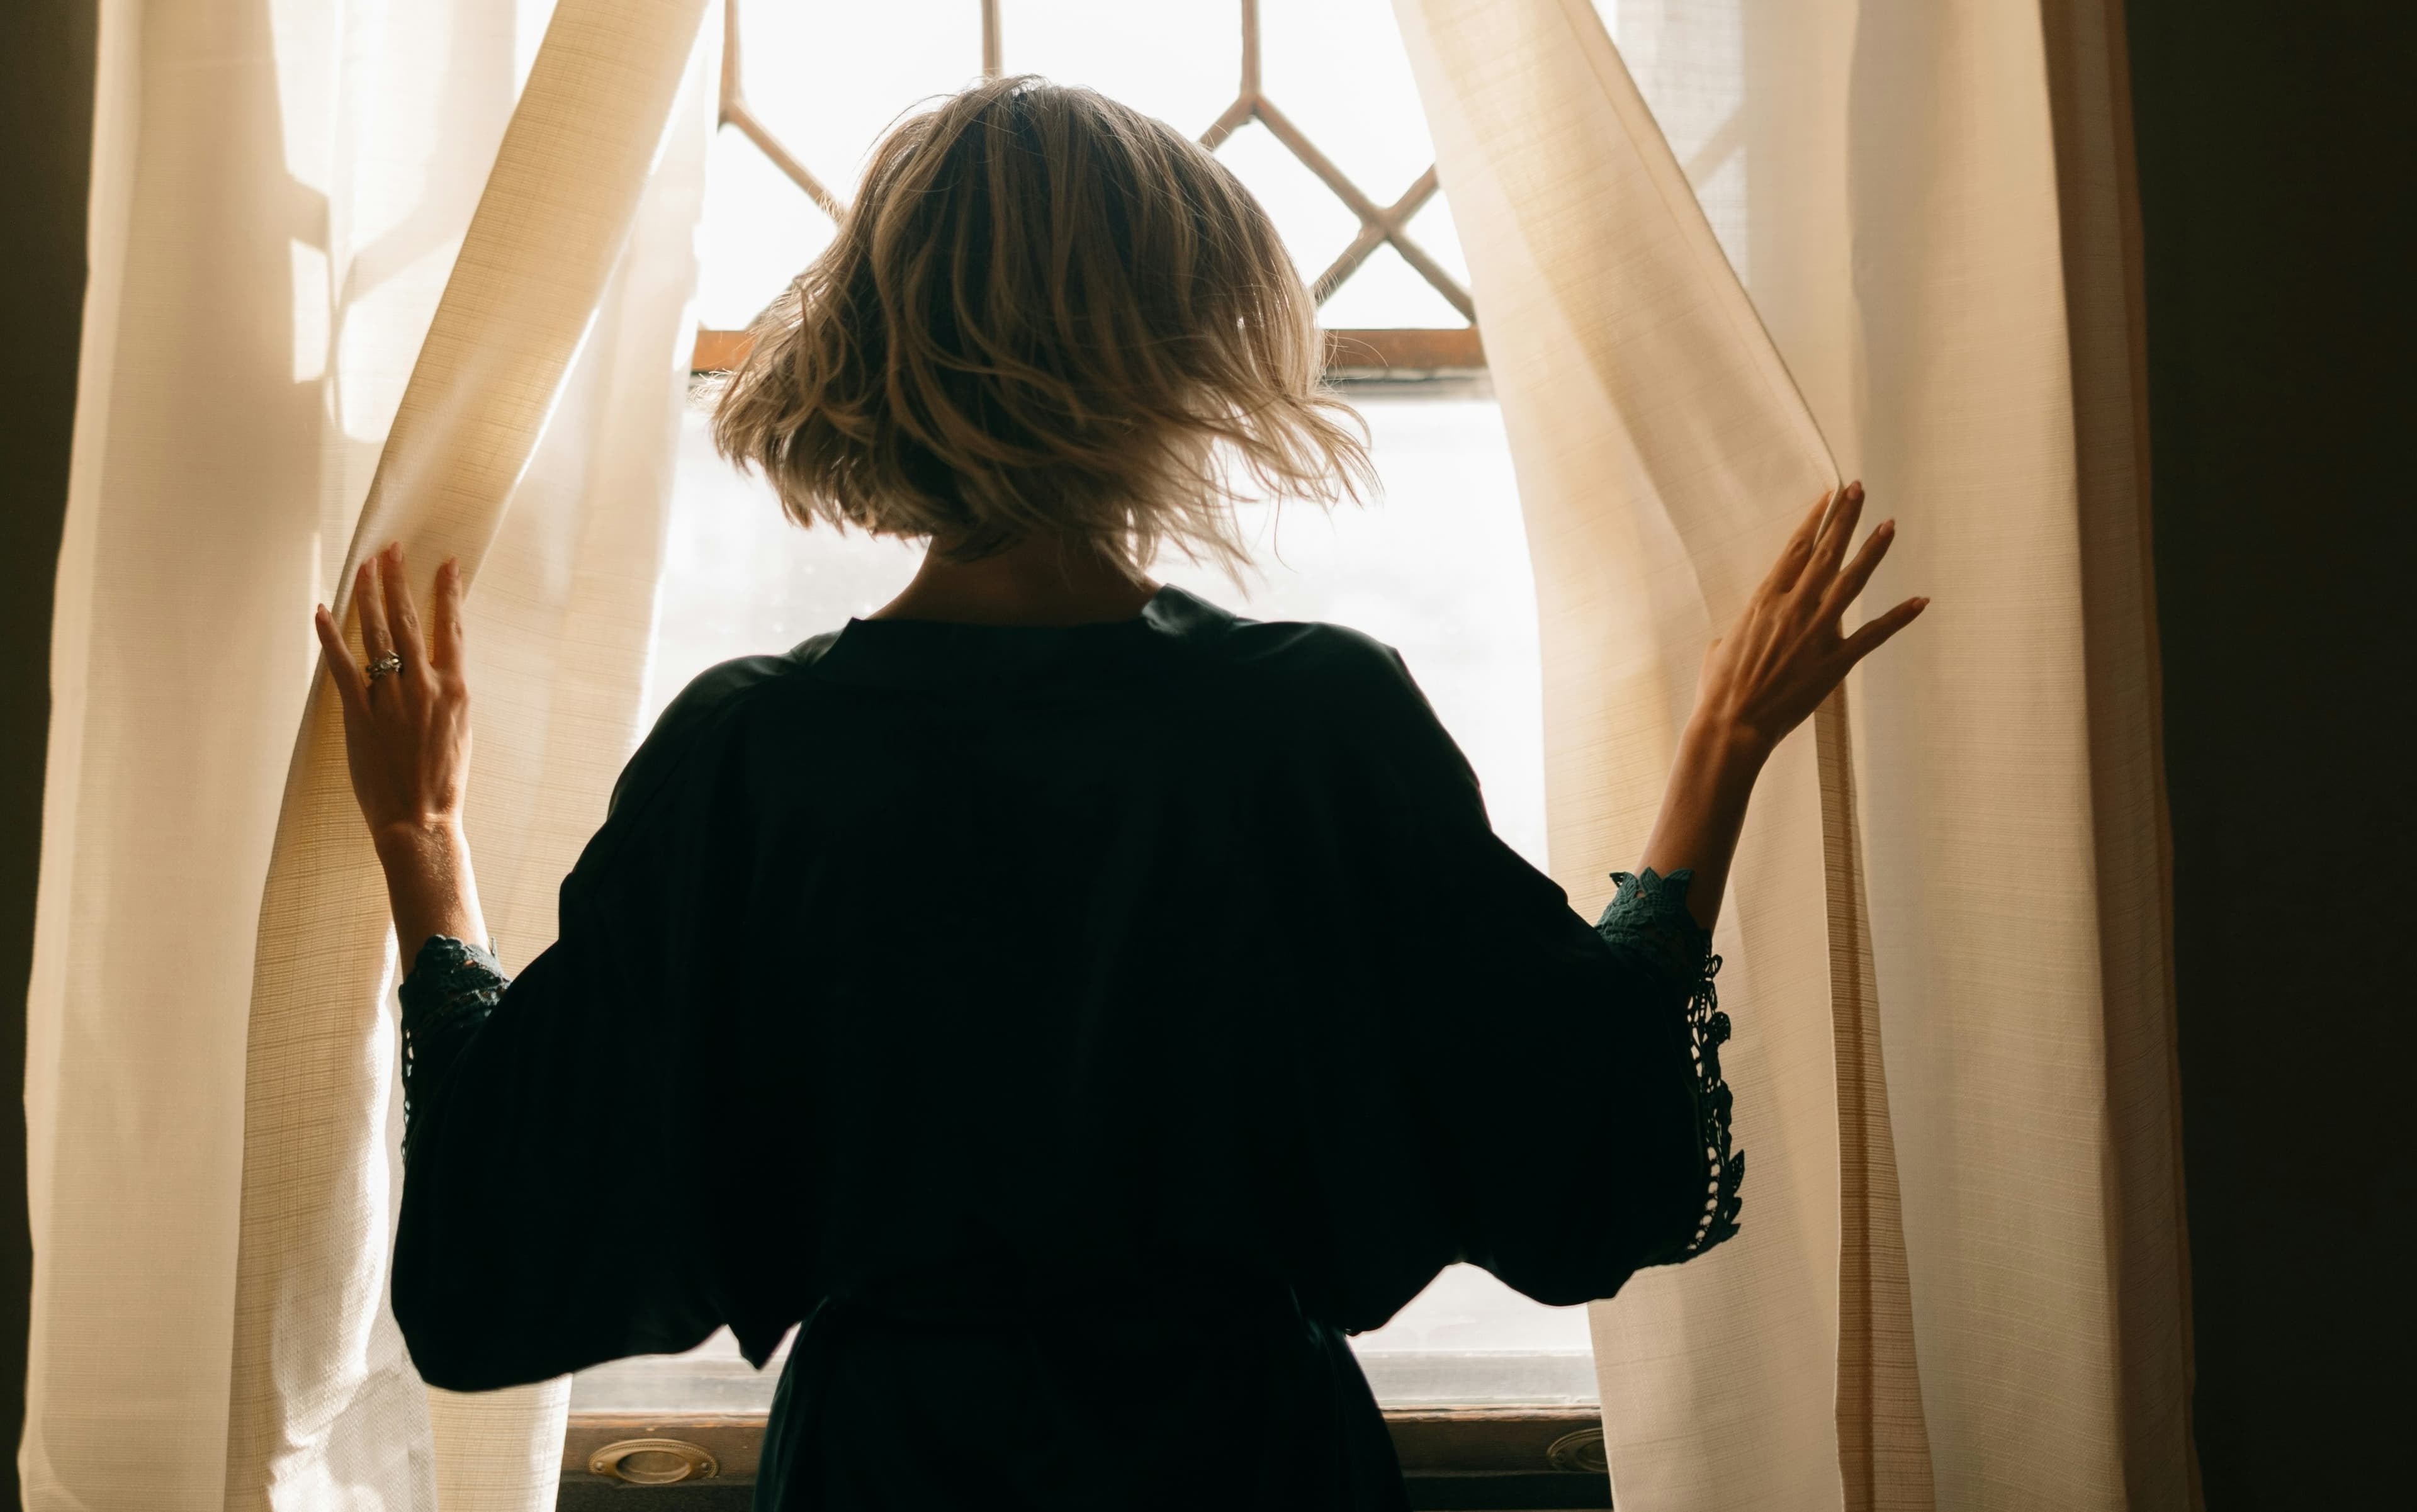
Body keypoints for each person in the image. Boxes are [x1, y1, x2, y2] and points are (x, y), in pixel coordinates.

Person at [310, 76, 1927, 1512]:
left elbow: (500, 1245)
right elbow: (1586, 1152)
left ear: (873, 346)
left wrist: (424, 852)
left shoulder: (754, 754)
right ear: (1181, 357)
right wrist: (1718, 758)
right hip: (1252, 1462)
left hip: (891, 1469)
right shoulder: (1313, 720)